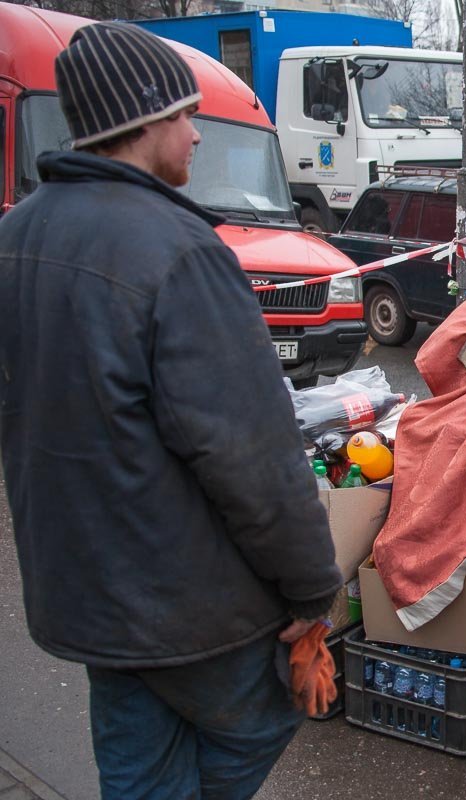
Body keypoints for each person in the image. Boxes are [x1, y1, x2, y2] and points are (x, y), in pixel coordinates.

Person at [0, 23, 343, 797]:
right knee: (262, 718)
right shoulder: (180, 252)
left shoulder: (14, 237)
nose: (195, 133)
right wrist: (311, 588)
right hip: (190, 609)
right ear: (140, 119)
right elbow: (251, 454)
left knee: (139, 769)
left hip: (87, 599)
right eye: (184, 115)